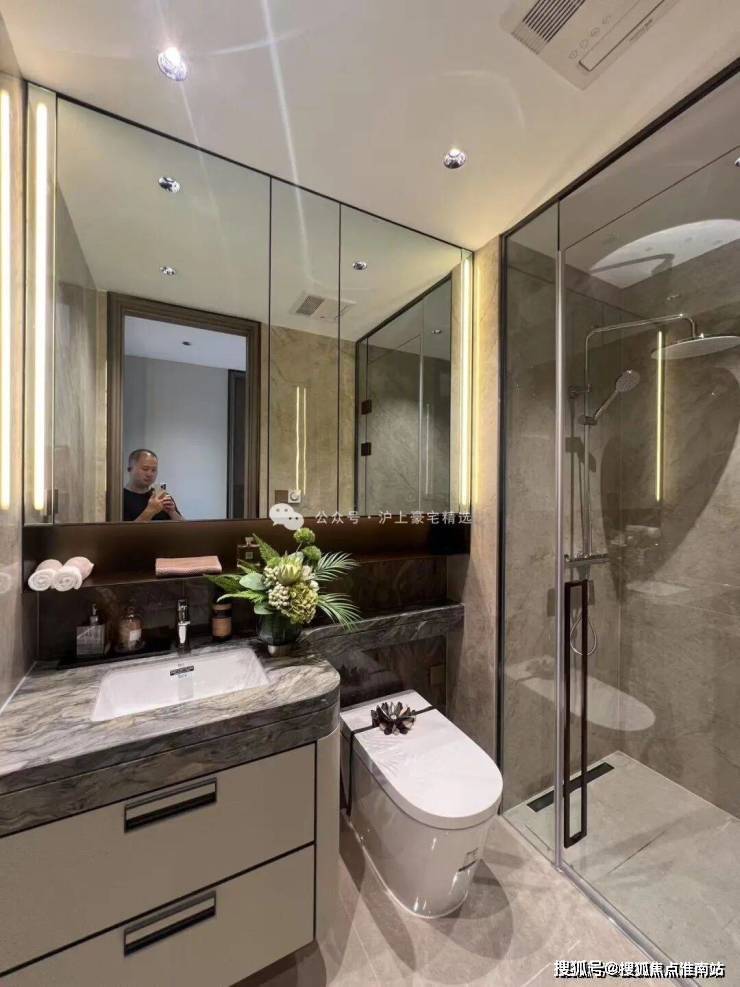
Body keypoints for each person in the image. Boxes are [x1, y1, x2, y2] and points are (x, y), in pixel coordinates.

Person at [123, 449, 184, 522]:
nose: (149, 474)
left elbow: (184, 527)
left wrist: (172, 512)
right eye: (145, 469)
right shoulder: (119, 498)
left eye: (154, 470)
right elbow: (122, 529)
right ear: (130, 469)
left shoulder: (161, 496)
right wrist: (150, 511)